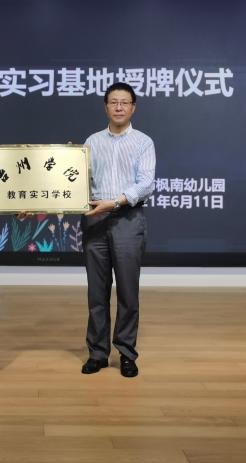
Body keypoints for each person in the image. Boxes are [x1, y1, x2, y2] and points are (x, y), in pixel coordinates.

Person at [81, 82, 156, 378]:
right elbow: (77, 181)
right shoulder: (91, 141)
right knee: (96, 293)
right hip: (94, 221)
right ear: (106, 107)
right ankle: (97, 353)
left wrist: (114, 202)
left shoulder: (143, 142)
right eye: (113, 102)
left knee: (127, 291)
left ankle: (126, 353)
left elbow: (146, 183)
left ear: (133, 108)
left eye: (125, 102)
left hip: (128, 218)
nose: (119, 107)